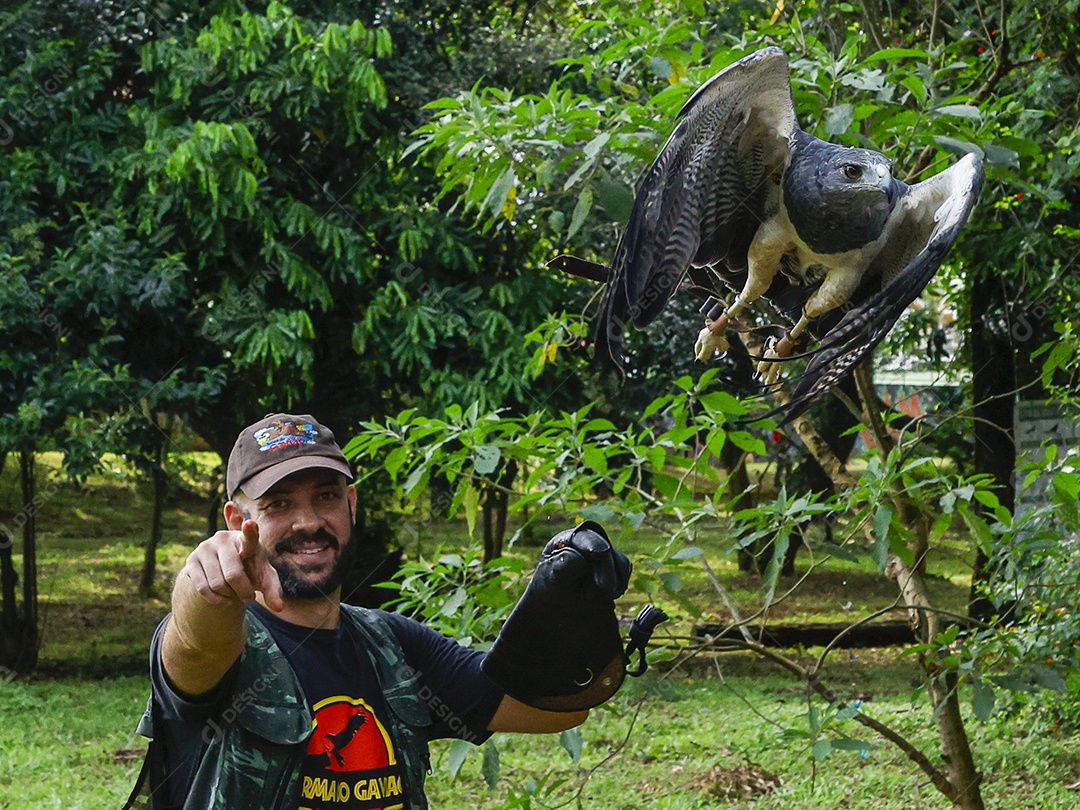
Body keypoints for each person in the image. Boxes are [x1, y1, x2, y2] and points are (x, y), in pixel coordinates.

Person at [124, 413, 661, 810]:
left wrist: (572, 609)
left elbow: (554, 708)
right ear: (237, 518)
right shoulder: (227, 646)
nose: (308, 521)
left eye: (326, 497)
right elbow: (198, 642)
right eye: (278, 504)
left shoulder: (392, 645)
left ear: (351, 506)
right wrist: (206, 587)